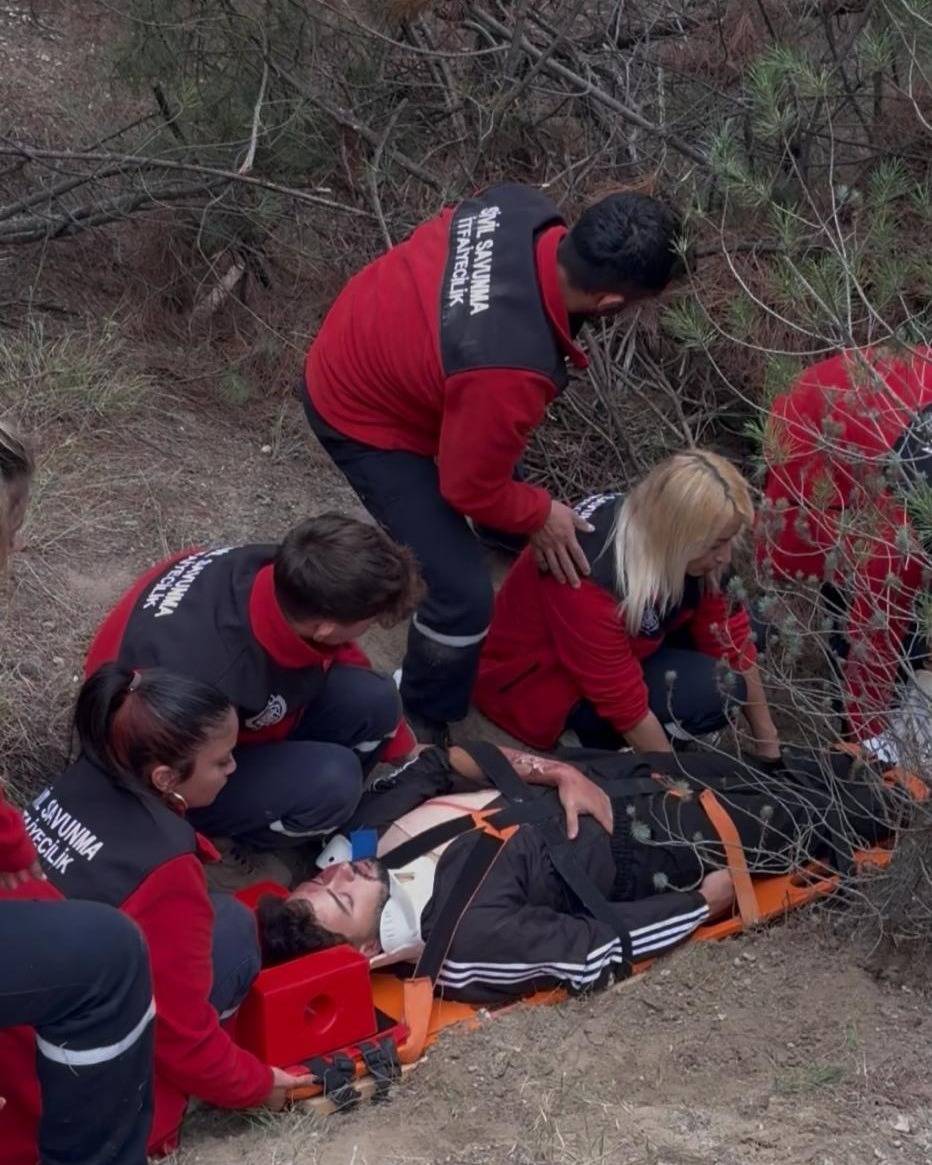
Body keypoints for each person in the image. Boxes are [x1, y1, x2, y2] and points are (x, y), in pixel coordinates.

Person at [303, 183, 683, 744]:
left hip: (380, 341)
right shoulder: (509, 368)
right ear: (610, 304)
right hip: (359, 412)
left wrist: (525, 511)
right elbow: (467, 486)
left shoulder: (520, 208)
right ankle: (425, 715)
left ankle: (503, 536)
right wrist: (537, 513)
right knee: (462, 594)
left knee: (507, 480)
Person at [256, 742, 896, 1003]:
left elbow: (442, 757)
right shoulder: (462, 941)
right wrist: (703, 902)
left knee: (786, 767)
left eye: (323, 882)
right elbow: (592, 954)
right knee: (834, 812)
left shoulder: (371, 840)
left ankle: (878, 764)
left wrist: (554, 771)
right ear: (368, 948)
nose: (341, 879)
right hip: (656, 849)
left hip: (609, 775)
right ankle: (900, 806)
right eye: (339, 901)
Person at [1, 663, 317, 1160]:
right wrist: (258, 1085)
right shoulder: (164, 869)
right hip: (59, 1104)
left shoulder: (73, 784)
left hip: (18, 1047)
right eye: (222, 761)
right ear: (166, 778)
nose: (234, 769)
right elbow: (180, 1036)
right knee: (234, 929)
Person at [85, 512, 424, 881]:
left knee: (375, 699)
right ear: (324, 627)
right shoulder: (214, 679)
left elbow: (338, 654)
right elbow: (165, 777)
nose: (368, 629)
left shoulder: (277, 568)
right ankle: (227, 846)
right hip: (151, 764)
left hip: (190, 710)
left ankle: (310, 807)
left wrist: (404, 748)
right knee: (334, 782)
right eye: (369, 621)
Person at [0, 423, 155, 1165]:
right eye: (12, 526)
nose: (16, 549)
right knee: (108, 960)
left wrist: (7, 838)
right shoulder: (175, 873)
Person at [475, 451, 781, 756]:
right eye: (716, 545)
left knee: (755, 628)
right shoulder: (587, 575)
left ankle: (663, 730)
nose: (725, 557)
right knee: (717, 691)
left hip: (629, 645)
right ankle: (590, 742)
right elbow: (624, 703)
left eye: (728, 541)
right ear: (680, 537)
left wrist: (769, 746)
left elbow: (732, 641)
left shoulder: (685, 546)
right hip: (543, 685)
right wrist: (675, 785)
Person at [757, 344, 932, 759]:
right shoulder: (898, 535)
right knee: (849, 580)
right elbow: (872, 633)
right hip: (820, 422)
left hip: (890, 407)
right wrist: (867, 742)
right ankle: (852, 742)